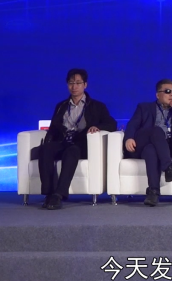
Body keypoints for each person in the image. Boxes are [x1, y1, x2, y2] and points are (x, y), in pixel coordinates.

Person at [35, 68, 116, 210]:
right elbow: (54, 127)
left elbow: (112, 124)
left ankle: (59, 195)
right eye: (71, 83)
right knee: (46, 149)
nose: (74, 86)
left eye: (78, 83)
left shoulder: (97, 106)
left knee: (72, 152)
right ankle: (48, 193)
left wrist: (97, 126)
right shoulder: (61, 106)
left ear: (85, 85)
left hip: (80, 144)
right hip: (62, 141)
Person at [123, 79, 172, 206]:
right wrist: (129, 137)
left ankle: (153, 193)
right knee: (156, 131)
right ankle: (169, 168)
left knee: (151, 151)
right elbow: (132, 125)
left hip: (164, 148)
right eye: (167, 91)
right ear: (158, 95)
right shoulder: (144, 107)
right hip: (141, 144)